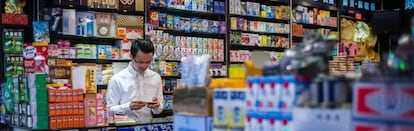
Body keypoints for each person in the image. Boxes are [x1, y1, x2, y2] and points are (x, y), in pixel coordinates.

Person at [107, 39, 163, 121]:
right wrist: (128, 107)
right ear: (131, 57)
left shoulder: (156, 77)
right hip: (126, 127)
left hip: (148, 126)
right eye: (140, 62)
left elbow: (158, 110)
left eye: (148, 62)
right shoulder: (117, 79)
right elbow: (109, 109)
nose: (144, 65)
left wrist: (157, 106)